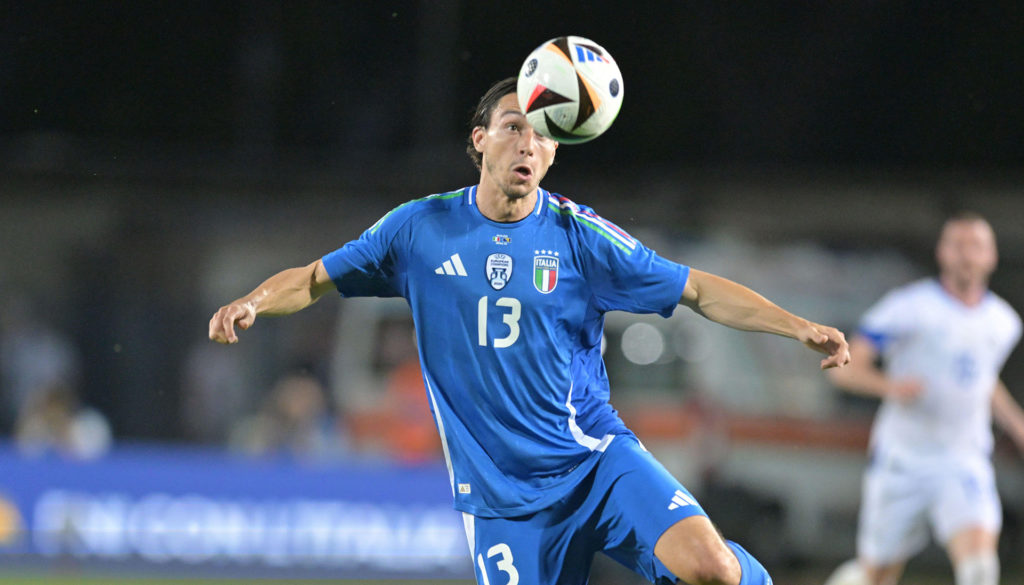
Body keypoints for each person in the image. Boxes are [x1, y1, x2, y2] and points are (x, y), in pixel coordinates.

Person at [209, 77, 850, 585]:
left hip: (596, 463)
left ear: (555, 151)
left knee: (714, 570)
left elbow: (697, 290)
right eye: (514, 127)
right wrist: (253, 303)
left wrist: (797, 327)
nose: (528, 145)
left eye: (543, 135)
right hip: (502, 498)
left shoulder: (579, 236)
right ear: (480, 139)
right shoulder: (419, 229)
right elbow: (314, 279)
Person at [822, 212, 1024, 585]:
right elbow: (845, 368)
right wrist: (890, 386)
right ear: (942, 253)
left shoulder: (1003, 321)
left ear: (992, 255)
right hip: (904, 458)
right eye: (958, 245)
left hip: (963, 458)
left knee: (980, 567)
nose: (967, 255)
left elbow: (982, 379)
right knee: (877, 574)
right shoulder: (909, 307)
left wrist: (1016, 423)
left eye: (976, 246)